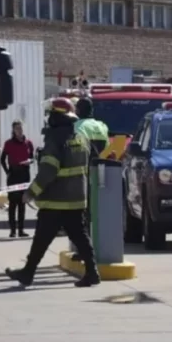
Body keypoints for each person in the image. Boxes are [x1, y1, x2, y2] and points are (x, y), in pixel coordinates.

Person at [5, 98, 100, 288]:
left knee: (42, 238)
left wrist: (31, 192)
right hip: (76, 199)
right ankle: (92, 273)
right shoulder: (80, 136)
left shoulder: (55, 138)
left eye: (51, 114)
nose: (48, 118)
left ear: (58, 116)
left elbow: (48, 171)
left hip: (56, 199)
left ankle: (28, 273)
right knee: (80, 237)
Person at [71, 97, 109, 256]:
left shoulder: (77, 126)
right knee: (98, 213)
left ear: (78, 111)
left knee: (81, 216)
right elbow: (107, 149)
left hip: (82, 174)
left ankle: (83, 250)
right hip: (101, 173)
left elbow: (74, 150)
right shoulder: (102, 126)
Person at [0, 120, 34, 238]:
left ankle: (21, 230)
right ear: (13, 130)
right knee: (13, 204)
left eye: (20, 128)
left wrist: (29, 161)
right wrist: (7, 171)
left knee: (22, 203)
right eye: (17, 129)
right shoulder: (8, 143)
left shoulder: (28, 143)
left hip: (24, 175)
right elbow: (2, 159)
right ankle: (12, 230)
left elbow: (32, 158)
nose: (19, 131)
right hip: (13, 175)